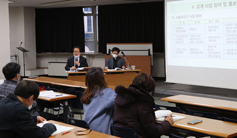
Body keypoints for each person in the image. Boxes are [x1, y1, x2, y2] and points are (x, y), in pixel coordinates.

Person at [113, 73, 173, 138]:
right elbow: (154, 132)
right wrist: (167, 122)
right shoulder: (143, 103)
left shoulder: (121, 98)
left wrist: (151, 116)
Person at [81, 67, 116, 134]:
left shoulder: (86, 93)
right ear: (102, 79)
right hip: (101, 132)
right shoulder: (105, 93)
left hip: (87, 130)